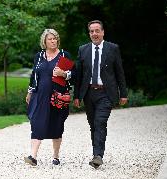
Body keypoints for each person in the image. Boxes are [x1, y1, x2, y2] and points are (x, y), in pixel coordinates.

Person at [73, 20, 128, 168]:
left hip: (106, 93)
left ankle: (98, 155)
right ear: (89, 33)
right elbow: (79, 75)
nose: (94, 34)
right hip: (88, 93)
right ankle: (96, 153)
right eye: (92, 31)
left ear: (103, 32)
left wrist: (123, 93)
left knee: (100, 122)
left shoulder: (113, 48)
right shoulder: (83, 50)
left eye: (97, 31)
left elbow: (119, 72)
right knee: (93, 125)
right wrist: (76, 96)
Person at [25, 29, 75, 166]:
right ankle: (33, 156)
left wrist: (64, 74)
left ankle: (56, 156)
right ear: (44, 41)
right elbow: (34, 76)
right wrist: (30, 92)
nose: (53, 41)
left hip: (57, 96)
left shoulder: (64, 54)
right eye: (50, 39)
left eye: (55, 39)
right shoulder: (39, 56)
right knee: (36, 122)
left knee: (56, 124)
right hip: (39, 95)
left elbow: (74, 74)